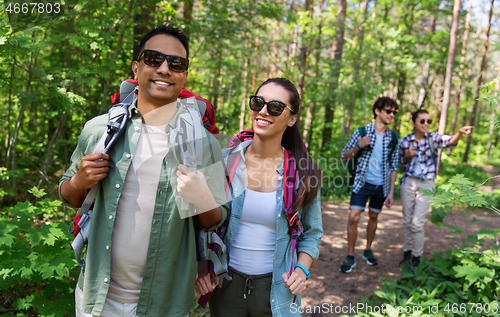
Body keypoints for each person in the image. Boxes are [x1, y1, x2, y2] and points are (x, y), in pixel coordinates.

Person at [59, 24, 227, 317]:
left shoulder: (204, 144)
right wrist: (79, 180)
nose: (164, 69)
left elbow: (214, 220)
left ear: (183, 75)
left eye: (176, 63)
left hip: (165, 301)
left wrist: (203, 198)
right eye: (153, 59)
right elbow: (69, 195)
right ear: (136, 68)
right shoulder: (99, 130)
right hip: (97, 298)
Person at [195, 78, 323, 316]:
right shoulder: (223, 161)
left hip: (278, 289)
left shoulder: (305, 172)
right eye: (258, 103)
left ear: (292, 118)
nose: (263, 111)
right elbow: (202, 223)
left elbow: (312, 233)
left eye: (275, 107)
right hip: (225, 286)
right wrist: (203, 266)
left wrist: (301, 271)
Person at [398, 109, 473, 270]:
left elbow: (450, 142)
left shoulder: (433, 138)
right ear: (414, 123)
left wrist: (459, 133)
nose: (426, 124)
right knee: (407, 220)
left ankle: (416, 258)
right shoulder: (405, 141)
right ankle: (406, 254)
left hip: (427, 184)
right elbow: (400, 163)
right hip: (408, 183)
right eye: (422, 121)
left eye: (428, 121)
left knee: (417, 223)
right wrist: (407, 155)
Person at [339, 97, 399, 273]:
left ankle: (367, 249)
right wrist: (358, 146)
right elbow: (345, 156)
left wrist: (391, 192)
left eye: (394, 112)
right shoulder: (362, 132)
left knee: (374, 217)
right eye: (389, 111)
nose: (392, 115)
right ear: (377, 111)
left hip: (381, 186)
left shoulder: (393, 138)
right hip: (362, 182)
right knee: (353, 217)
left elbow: (394, 166)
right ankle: (350, 255)